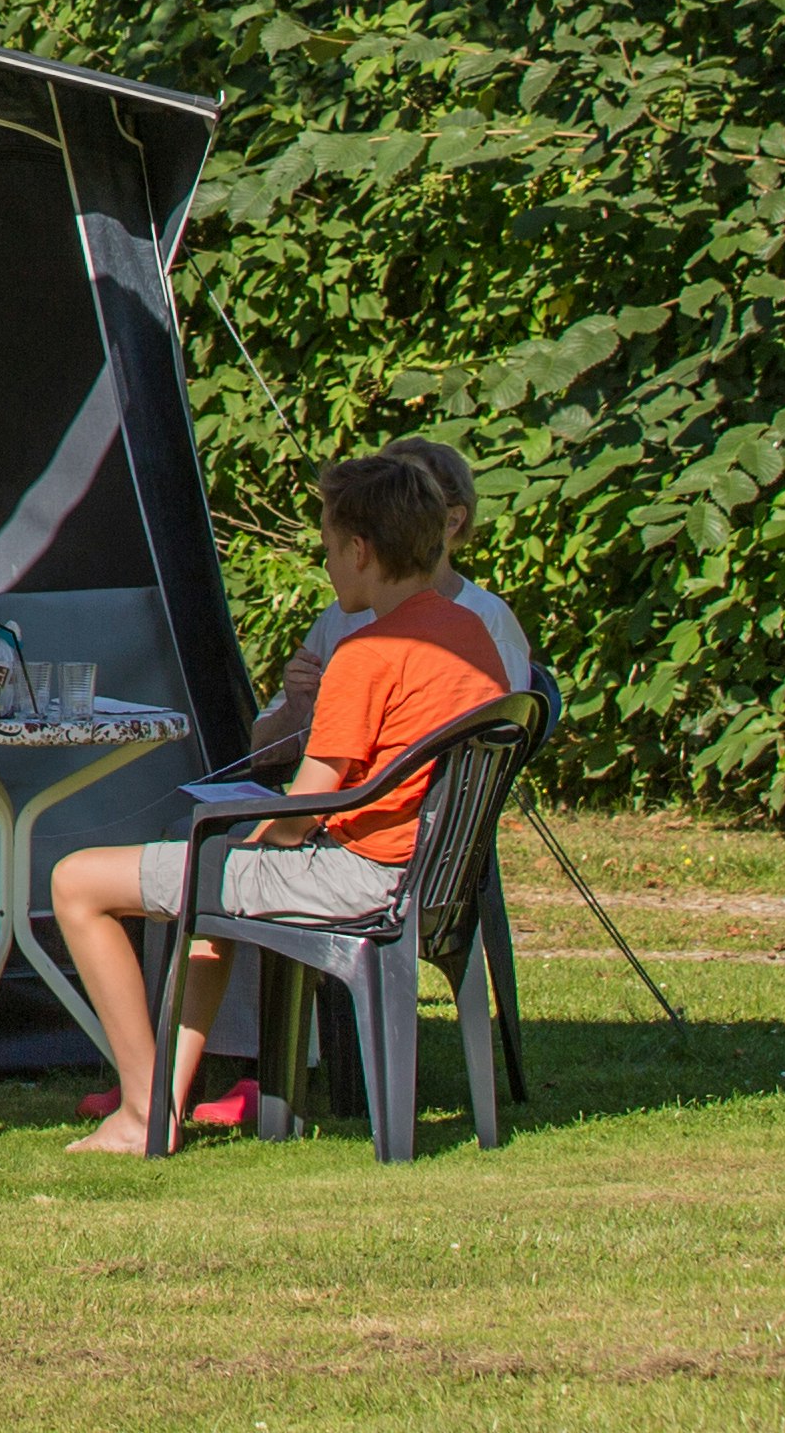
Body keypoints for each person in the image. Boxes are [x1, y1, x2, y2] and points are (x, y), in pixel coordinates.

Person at [48, 447, 513, 1157]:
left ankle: (143, 1112)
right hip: (429, 876)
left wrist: (235, 849)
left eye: (328, 549)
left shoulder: (366, 654)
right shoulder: (468, 633)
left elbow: (301, 813)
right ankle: (167, 1099)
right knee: (215, 888)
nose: (326, 565)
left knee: (76, 880)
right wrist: (229, 863)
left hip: (361, 877)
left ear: (360, 550)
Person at [243, 435, 535, 771]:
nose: (386, 510)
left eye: (409, 494)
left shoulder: (483, 620)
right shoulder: (343, 615)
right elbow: (259, 756)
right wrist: (296, 709)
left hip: (382, 816)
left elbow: (495, 754)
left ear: (452, 521)